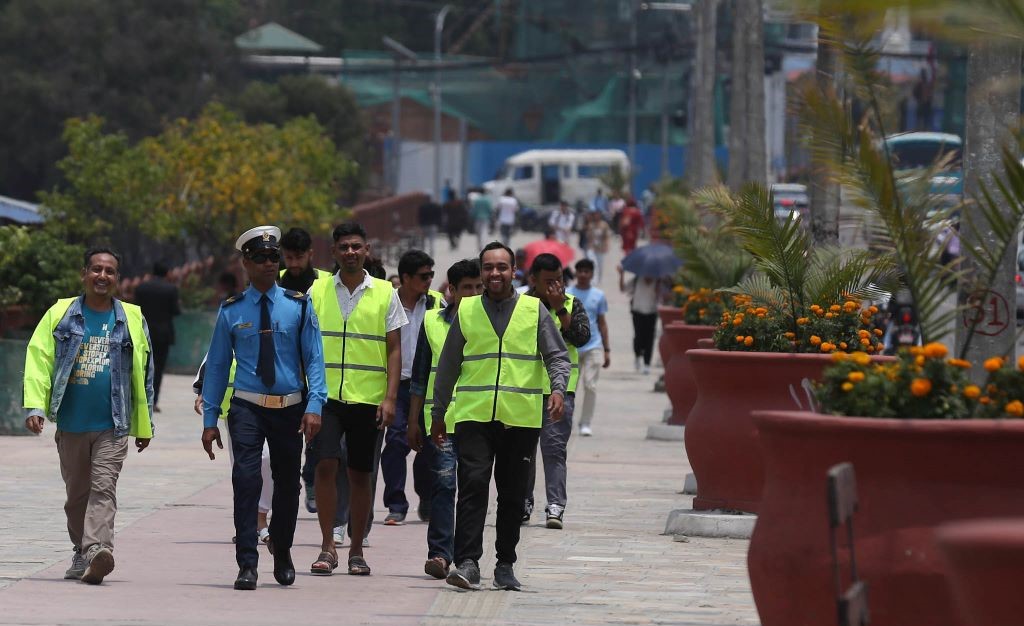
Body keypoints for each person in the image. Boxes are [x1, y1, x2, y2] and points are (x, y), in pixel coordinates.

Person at [430, 241, 571, 592]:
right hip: (474, 416)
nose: (495, 273)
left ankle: (505, 563)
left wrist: (557, 389)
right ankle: (468, 562)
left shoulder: (533, 309)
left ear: (514, 272)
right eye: (488, 267)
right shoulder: (466, 311)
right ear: (481, 272)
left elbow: (557, 356)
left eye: (502, 267)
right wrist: (438, 412)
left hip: (519, 419)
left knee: (512, 496)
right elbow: (448, 366)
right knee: (473, 486)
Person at [200, 226, 326, 591]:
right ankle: (247, 562)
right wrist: (210, 419)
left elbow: (314, 360)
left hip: (290, 407)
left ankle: (282, 551)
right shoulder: (231, 311)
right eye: (261, 258)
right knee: (246, 480)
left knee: (288, 484)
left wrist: (314, 404)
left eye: (275, 258)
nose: (270, 264)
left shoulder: (298, 306)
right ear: (245, 263)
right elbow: (218, 367)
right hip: (247, 408)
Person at [23, 247, 155, 585]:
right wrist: (36, 405)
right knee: (77, 495)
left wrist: (144, 424)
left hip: (112, 424)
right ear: (84, 274)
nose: (102, 276)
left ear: (117, 279)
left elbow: (144, 373)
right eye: (96, 269)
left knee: (103, 488)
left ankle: (97, 549)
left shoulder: (132, 318)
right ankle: (82, 552)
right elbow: (40, 359)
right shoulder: (61, 313)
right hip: (71, 424)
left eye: (109, 271)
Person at [308, 222, 406, 577]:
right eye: (343, 247)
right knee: (324, 467)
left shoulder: (384, 292)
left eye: (356, 246)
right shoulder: (317, 291)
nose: (350, 252)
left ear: (367, 250)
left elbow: (394, 349)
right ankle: (326, 546)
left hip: (368, 399)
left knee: (361, 474)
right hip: (325, 397)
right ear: (333, 252)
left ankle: (356, 549)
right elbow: (306, 345)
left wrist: (391, 397)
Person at [407, 258, 484, 579]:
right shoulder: (432, 323)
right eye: (467, 288)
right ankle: (440, 554)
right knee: (443, 485)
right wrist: (413, 421)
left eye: (478, 287)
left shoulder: (490, 322)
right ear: (451, 291)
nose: (474, 293)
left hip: (478, 418)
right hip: (439, 421)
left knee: (472, 488)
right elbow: (420, 376)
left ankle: (467, 557)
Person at [523, 253, 590, 529]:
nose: (555, 287)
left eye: (559, 280)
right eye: (548, 282)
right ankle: (522, 502)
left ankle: (555, 505)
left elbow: (581, 337)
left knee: (553, 450)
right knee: (522, 453)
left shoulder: (572, 304)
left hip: (560, 391)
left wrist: (559, 308)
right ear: (533, 280)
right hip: (523, 389)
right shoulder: (520, 305)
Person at [381, 249, 444, 525]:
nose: (429, 280)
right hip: (397, 385)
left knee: (429, 444)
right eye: (423, 276)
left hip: (428, 387)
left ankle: (427, 498)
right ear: (405, 277)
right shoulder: (387, 304)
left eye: (431, 275)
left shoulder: (437, 305)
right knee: (395, 443)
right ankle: (396, 504)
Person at [567, 258, 610, 437]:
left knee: (590, 385)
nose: (583, 275)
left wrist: (607, 350)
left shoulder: (599, 295)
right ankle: (566, 420)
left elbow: (602, 323)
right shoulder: (568, 293)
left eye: (587, 271)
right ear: (576, 273)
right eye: (580, 271)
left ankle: (585, 422)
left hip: (594, 345)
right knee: (570, 387)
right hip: (572, 346)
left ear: (592, 274)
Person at [132, 261, 180, 412]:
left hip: (143, 332)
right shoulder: (171, 289)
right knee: (158, 368)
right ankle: (153, 401)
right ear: (167, 273)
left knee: (141, 366)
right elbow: (176, 311)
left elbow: (135, 308)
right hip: (163, 334)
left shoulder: (141, 288)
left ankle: (138, 398)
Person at [619, 265, 663, 375]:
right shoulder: (637, 279)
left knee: (650, 338)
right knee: (638, 336)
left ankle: (647, 363)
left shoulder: (657, 281)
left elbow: (662, 296)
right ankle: (637, 355)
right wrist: (621, 274)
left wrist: (661, 283)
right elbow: (623, 288)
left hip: (651, 312)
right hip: (637, 311)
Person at [279, 227, 331, 293]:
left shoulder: (328, 281)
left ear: (310, 254)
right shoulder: (275, 281)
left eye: (299, 257)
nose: (294, 264)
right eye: (289, 258)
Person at [584, 210, 612, 284]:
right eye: (595, 215)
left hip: (601, 248)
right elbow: (588, 236)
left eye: (598, 214)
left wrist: (606, 245)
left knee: (600, 265)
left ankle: (599, 279)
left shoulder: (604, 224)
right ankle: (594, 280)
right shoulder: (591, 224)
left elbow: (607, 236)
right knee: (593, 263)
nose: (596, 216)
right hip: (592, 247)